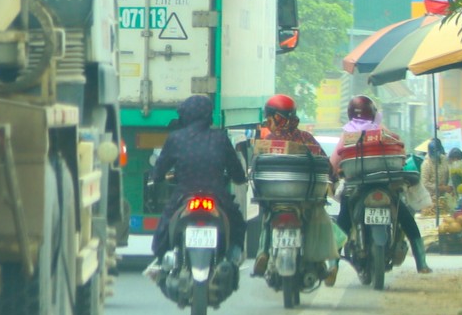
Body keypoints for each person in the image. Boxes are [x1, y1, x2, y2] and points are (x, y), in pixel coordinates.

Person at [147, 94, 249, 277]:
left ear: (185, 114)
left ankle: (162, 262)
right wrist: (240, 179)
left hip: (184, 193)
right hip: (217, 195)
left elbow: (160, 168)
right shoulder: (220, 138)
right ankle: (234, 256)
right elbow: (235, 170)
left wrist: (157, 177)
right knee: (237, 222)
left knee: (164, 224)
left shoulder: (176, 138)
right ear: (208, 115)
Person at [332, 95, 430, 274]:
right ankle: (421, 262)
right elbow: (400, 153)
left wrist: (332, 173)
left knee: (343, 220)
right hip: (386, 186)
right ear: (373, 113)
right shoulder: (382, 131)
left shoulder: (347, 135)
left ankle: (332, 265)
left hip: (358, 187)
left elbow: (334, 161)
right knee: (406, 218)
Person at [248, 93, 335, 282]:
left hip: (273, 196)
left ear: (273, 118)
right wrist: (334, 178)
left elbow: (255, 167)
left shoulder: (267, 142)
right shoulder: (306, 139)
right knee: (316, 217)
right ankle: (322, 263)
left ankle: (263, 251)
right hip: (304, 196)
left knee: (267, 217)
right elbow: (326, 164)